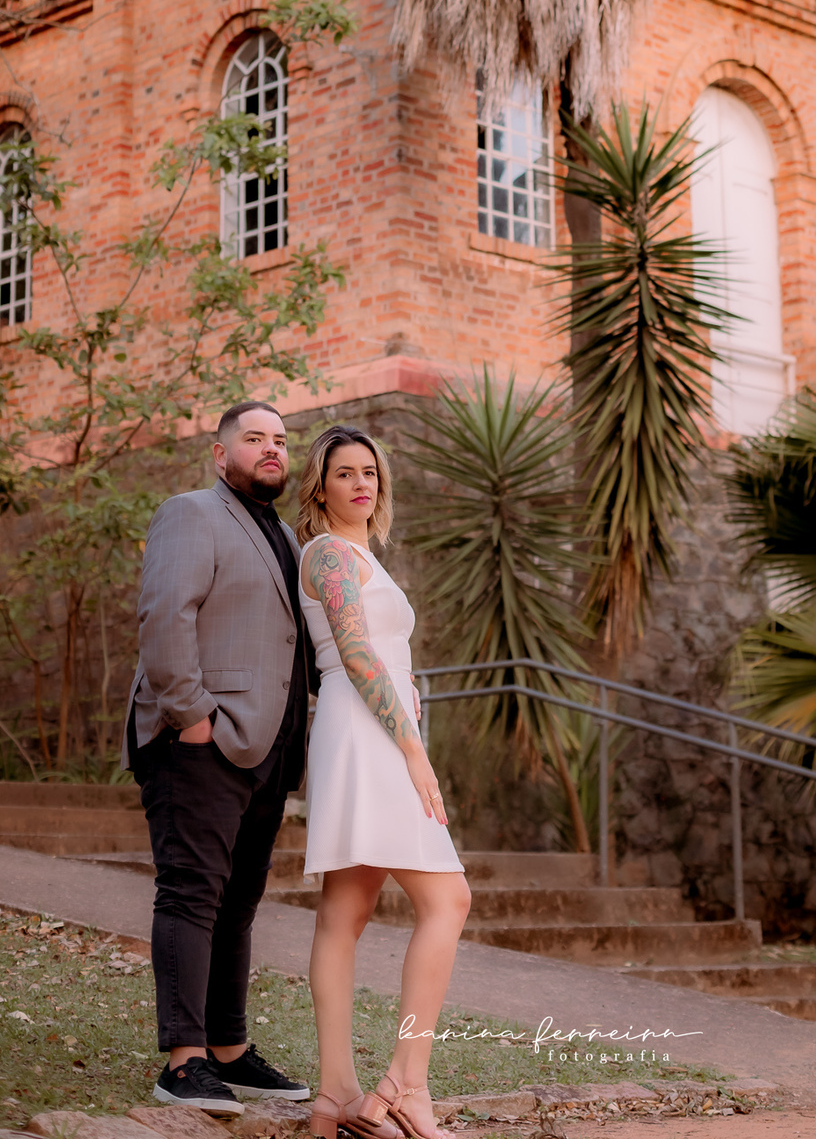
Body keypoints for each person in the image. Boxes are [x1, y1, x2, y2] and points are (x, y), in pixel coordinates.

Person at [122, 400, 314, 1114]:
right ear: (218, 452)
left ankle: (228, 1049)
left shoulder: (287, 537)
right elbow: (163, 613)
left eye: (280, 441)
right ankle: (183, 1062)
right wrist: (191, 716)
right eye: (255, 438)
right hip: (199, 741)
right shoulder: (190, 512)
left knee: (238, 904)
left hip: (269, 748)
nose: (272, 450)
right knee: (191, 894)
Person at [295, 425, 471, 1139]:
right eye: (344, 473)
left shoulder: (361, 552)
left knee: (347, 911)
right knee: (448, 899)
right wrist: (414, 751)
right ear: (321, 487)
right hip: (370, 734)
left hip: (373, 724)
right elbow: (358, 654)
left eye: (370, 472)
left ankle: (337, 1095)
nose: (361, 483)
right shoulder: (330, 553)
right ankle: (406, 1085)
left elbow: (381, 655)